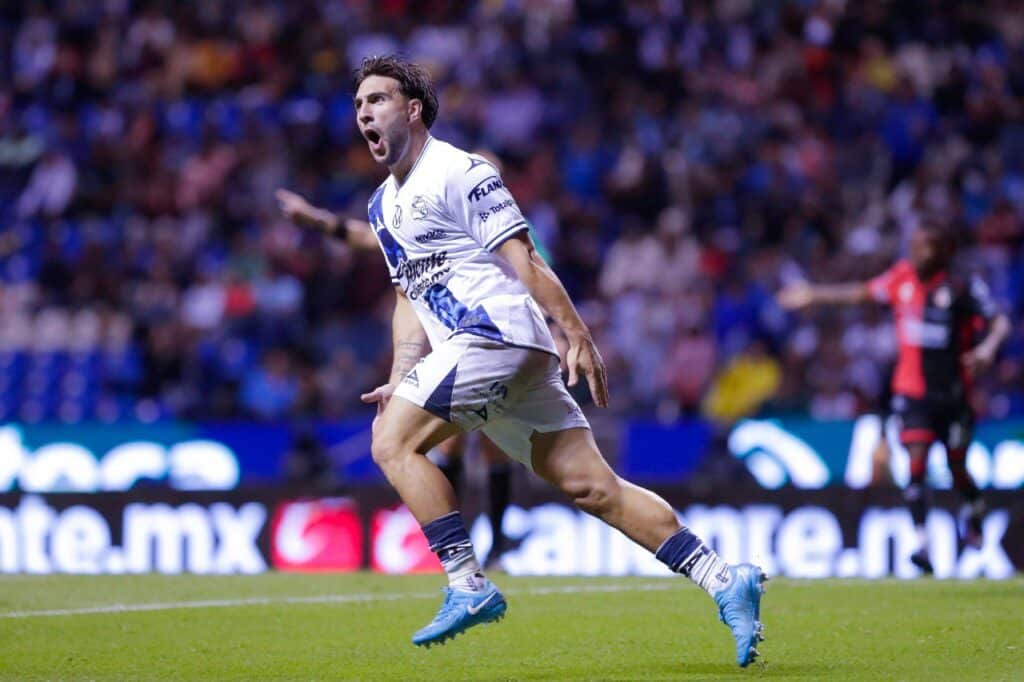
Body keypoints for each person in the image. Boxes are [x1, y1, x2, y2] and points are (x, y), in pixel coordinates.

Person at [277, 55, 765, 667]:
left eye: (376, 100)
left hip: (495, 333)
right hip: (495, 351)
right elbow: (409, 295)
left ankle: (467, 583)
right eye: (356, 105)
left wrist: (577, 333)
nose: (363, 113)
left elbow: (525, 258)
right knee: (595, 488)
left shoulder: (462, 170)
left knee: (390, 445)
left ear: (413, 109)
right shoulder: (381, 206)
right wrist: (402, 374)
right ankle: (724, 579)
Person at [778, 226, 1010, 573]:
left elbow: (1000, 321)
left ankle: (974, 509)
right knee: (915, 464)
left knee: (956, 466)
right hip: (912, 394)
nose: (918, 255)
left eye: (926, 248)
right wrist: (814, 293)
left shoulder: (961, 286)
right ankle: (923, 544)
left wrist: (987, 350)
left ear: (943, 250)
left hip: (954, 395)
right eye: (914, 247)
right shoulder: (902, 280)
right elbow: (859, 293)